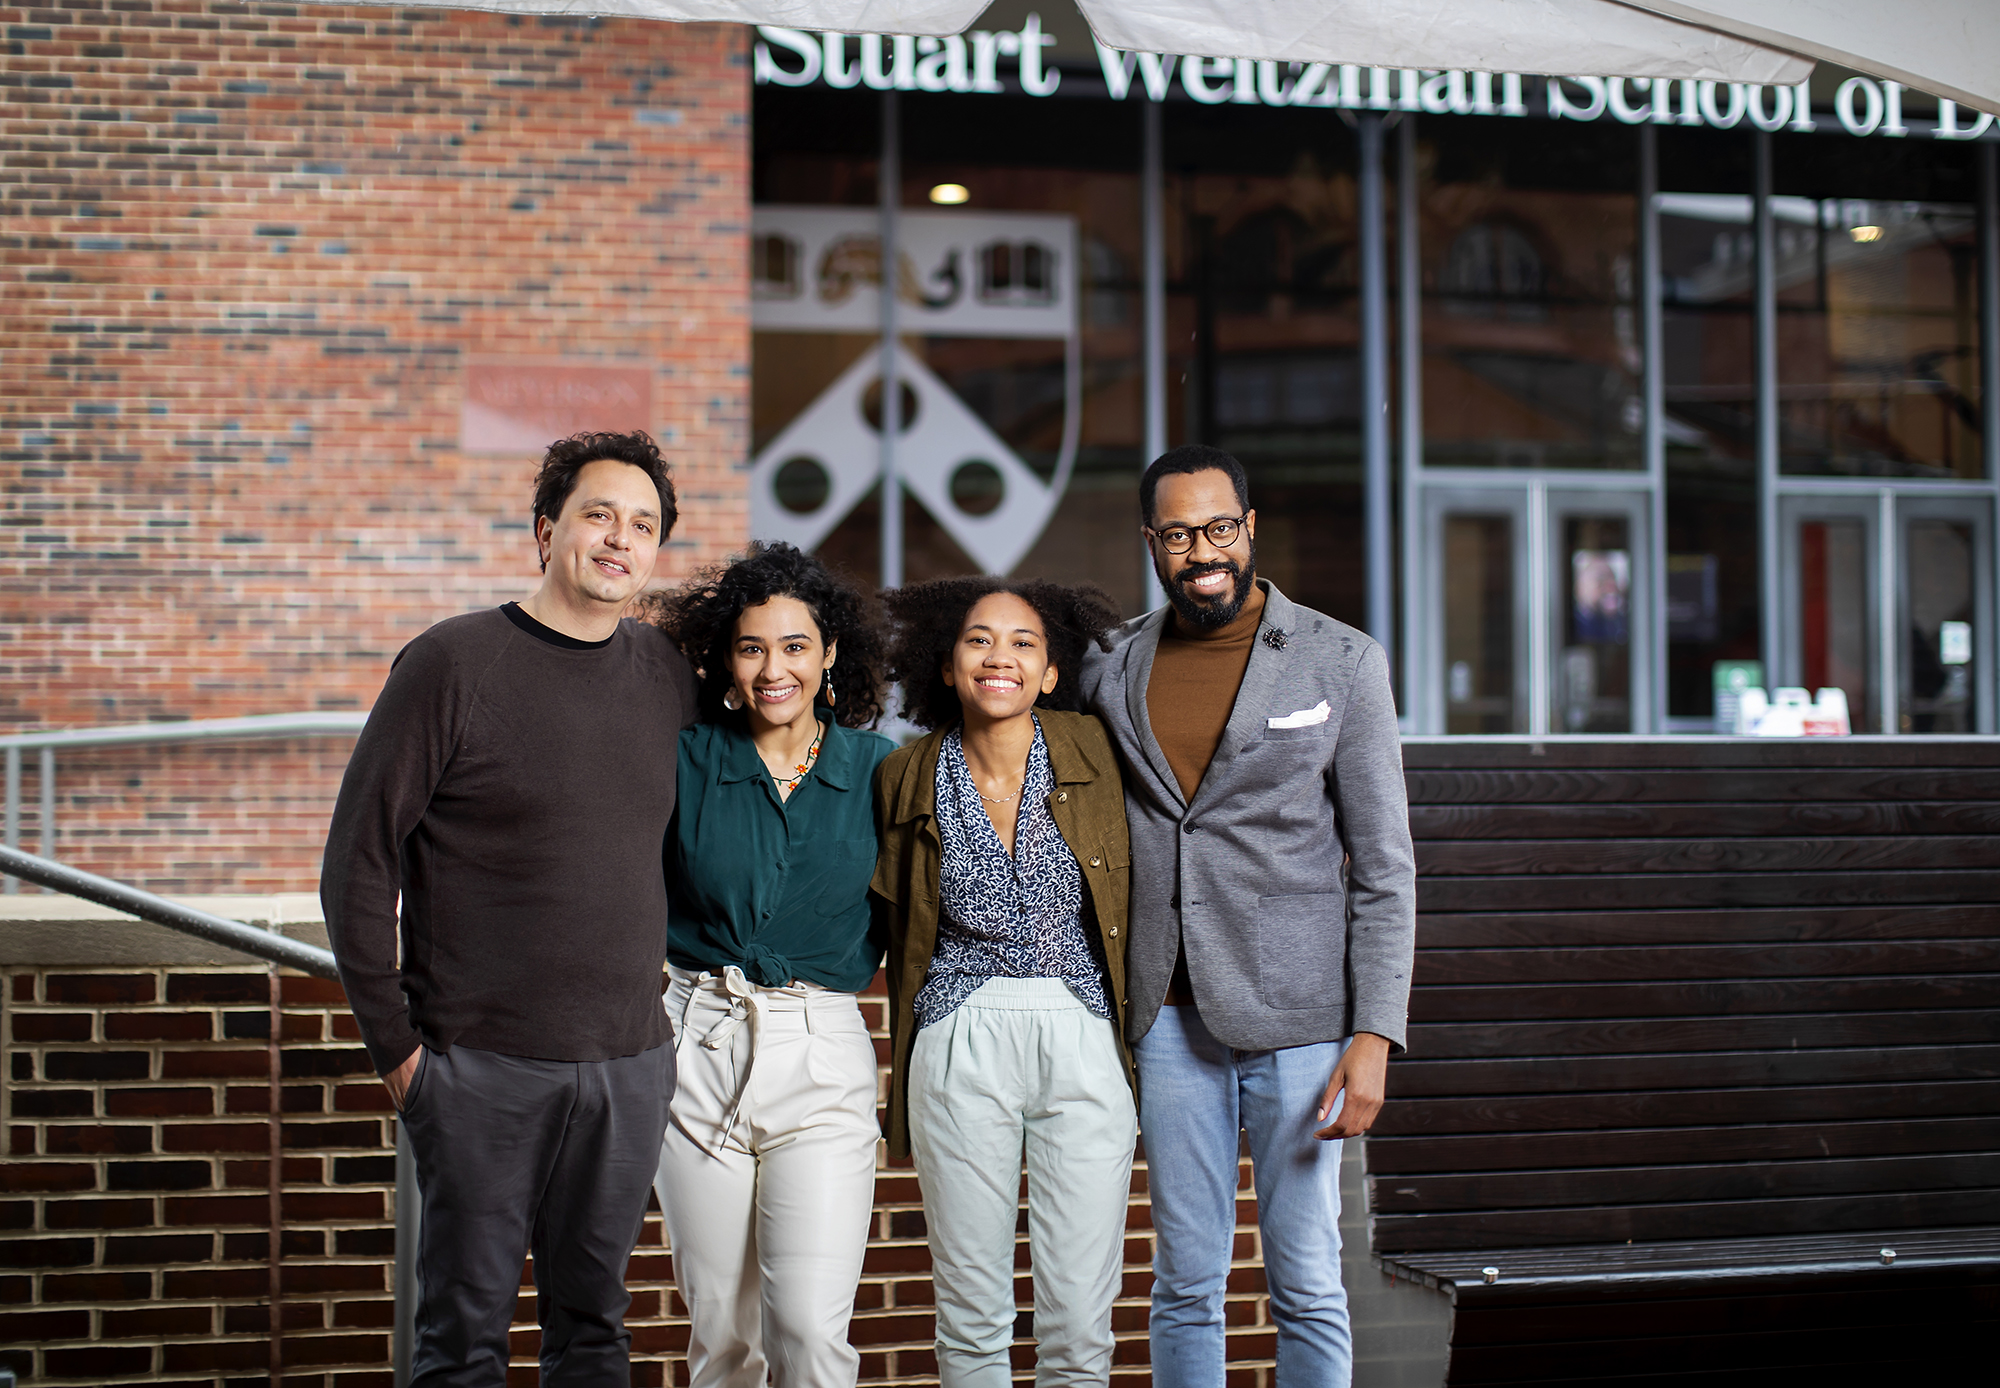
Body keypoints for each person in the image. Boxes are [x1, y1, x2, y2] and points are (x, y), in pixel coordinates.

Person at [322, 430, 695, 1387]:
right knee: (461, 1345)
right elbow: (359, 863)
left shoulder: (665, 677)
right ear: (545, 531)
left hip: (628, 1064)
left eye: (642, 525)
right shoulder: (452, 664)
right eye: (598, 515)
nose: (620, 539)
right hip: (480, 1069)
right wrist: (401, 1055)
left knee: (595, 1336)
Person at [1077, 445, 1417, 1388]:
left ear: (1250, 528)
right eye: (1179, 534)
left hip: (1304, 1026)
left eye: (1219, 528)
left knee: (1307, 1280)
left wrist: (1375, 1033)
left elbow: (1386, 869)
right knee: (1185, 1281)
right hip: (1168, 1021)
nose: (1203, 551)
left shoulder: (1341, 660)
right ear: (1153, 543)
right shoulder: (1108, 667)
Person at [644, 541, 895, 1388]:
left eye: (795, 646)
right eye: (752, 648)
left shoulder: (881, 772)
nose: (773, 668)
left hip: (822, 1054)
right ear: (724, 659)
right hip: (696, 1044)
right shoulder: (683, 761)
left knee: (808, 1335)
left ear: (830, 655)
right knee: (722, 1338)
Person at [872, 577, 1133, 1388]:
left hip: (1083, 1029)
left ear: (1052, 673)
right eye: (979, 639)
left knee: (1080, 1321)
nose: (1000, 657)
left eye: (1024, 643)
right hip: (958, 1031)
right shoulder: (905, 774)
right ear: (947, 667)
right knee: (972, 1313)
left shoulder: (1095, 749)